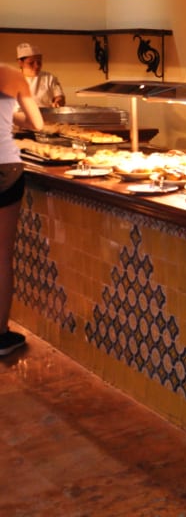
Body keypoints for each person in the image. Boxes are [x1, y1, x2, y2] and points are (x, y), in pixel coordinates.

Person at [0, 63, 43, 355]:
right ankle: (0, 335)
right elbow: (36, 123)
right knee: (2, 255)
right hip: (6, 167)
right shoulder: (12, 75)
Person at [16, 43, 65, 108]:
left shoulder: (49, 78)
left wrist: (58, 102)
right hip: (18, 114)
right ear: (20, 63)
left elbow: (60, 97)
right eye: (31, 63)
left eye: (39, 62)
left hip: (45, 113)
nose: (37, 66)